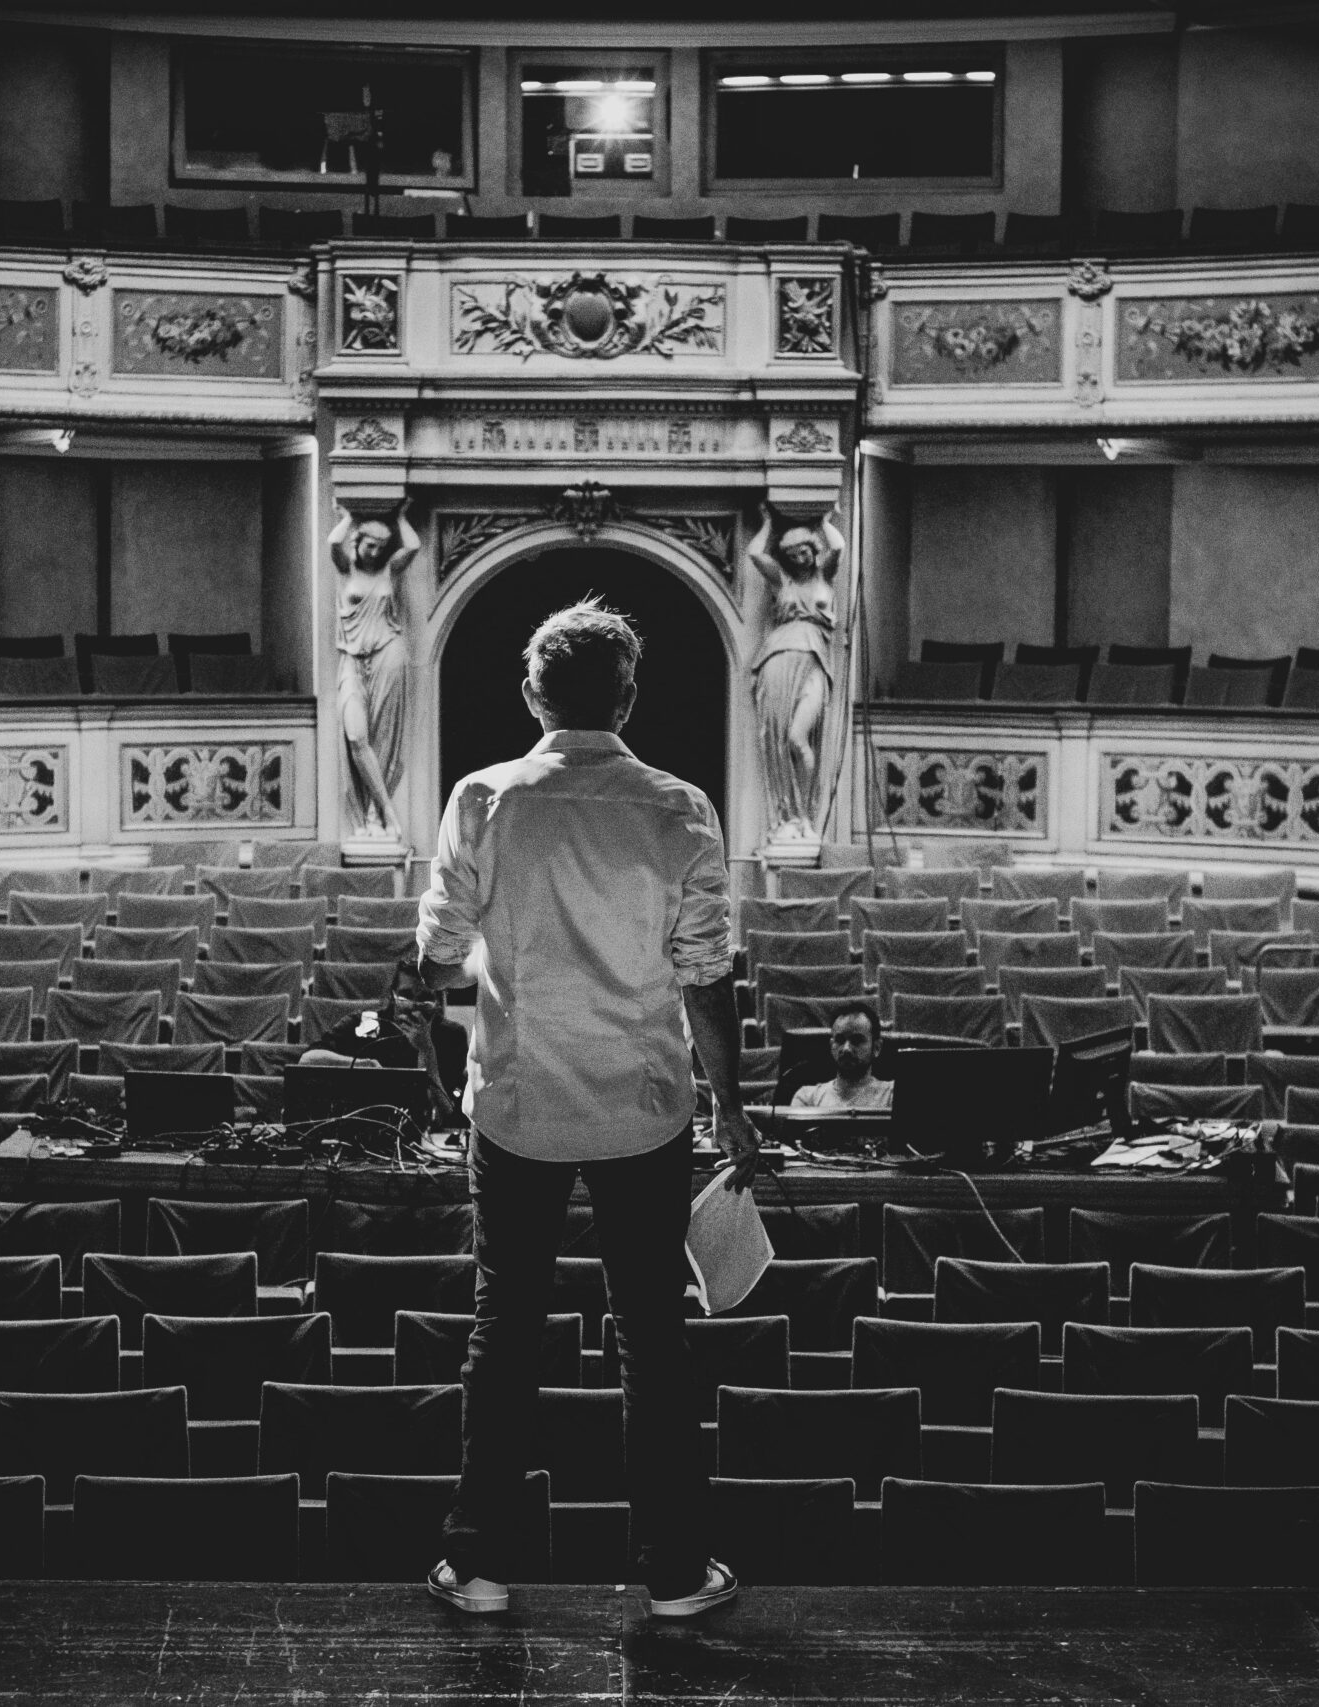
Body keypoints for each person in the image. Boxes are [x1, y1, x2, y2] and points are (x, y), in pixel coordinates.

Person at [415, 598, 756, 1620]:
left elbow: (435, 958)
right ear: (629, 697)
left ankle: (478, 1563)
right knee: (652, 1336)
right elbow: (706, 978)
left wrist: (470, 995)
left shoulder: (483, 798)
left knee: (505, 1324)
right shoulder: (680, 809)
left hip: (516, 1106)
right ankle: (674, 1573)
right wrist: (733, 1109)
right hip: (642, 1110)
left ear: (533, 695)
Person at [747, 505, 848, 841]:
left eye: (803, 551)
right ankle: (790, 817)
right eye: (791, 555)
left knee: (797, 737)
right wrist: (768, 523)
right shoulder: (782, 581)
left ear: (812, 550)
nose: (799, 559)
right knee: (778, 739)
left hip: (814, 658)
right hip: (778, 657)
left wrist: (823, 522)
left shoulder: (824, 576)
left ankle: (805, 814)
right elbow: (755, 554)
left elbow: (838, 547)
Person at [329, 498, 419, 838]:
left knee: (381, 736)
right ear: (358, 542)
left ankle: (374, 814)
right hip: (352, 660)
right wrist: (348, 515)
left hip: (387, 654)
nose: (375, 552)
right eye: (370, 545)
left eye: (381, 547)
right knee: (356, 735)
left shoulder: (389, 570)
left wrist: (401, 517)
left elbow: (413, 546)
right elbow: (333, 543)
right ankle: (387, 811)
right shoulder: (346, 568)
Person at [297, 957, 469, 1126]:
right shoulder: (364, 1023)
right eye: (405, 996)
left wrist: (426, 1050)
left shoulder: (451, 1036)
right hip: (365, 1125)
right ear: (393, 995)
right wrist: (362, 1065)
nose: (413, 1006)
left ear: (438, 1001)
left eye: (425, 998)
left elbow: (446, 1115)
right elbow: (307, 1060)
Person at [790, 1002, 892, 1110]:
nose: (846, 1049)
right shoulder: (808, 1098)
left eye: (857, 1040)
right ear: (831, 1046)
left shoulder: (892, 1095)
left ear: (876, 1048)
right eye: (840, 1040)